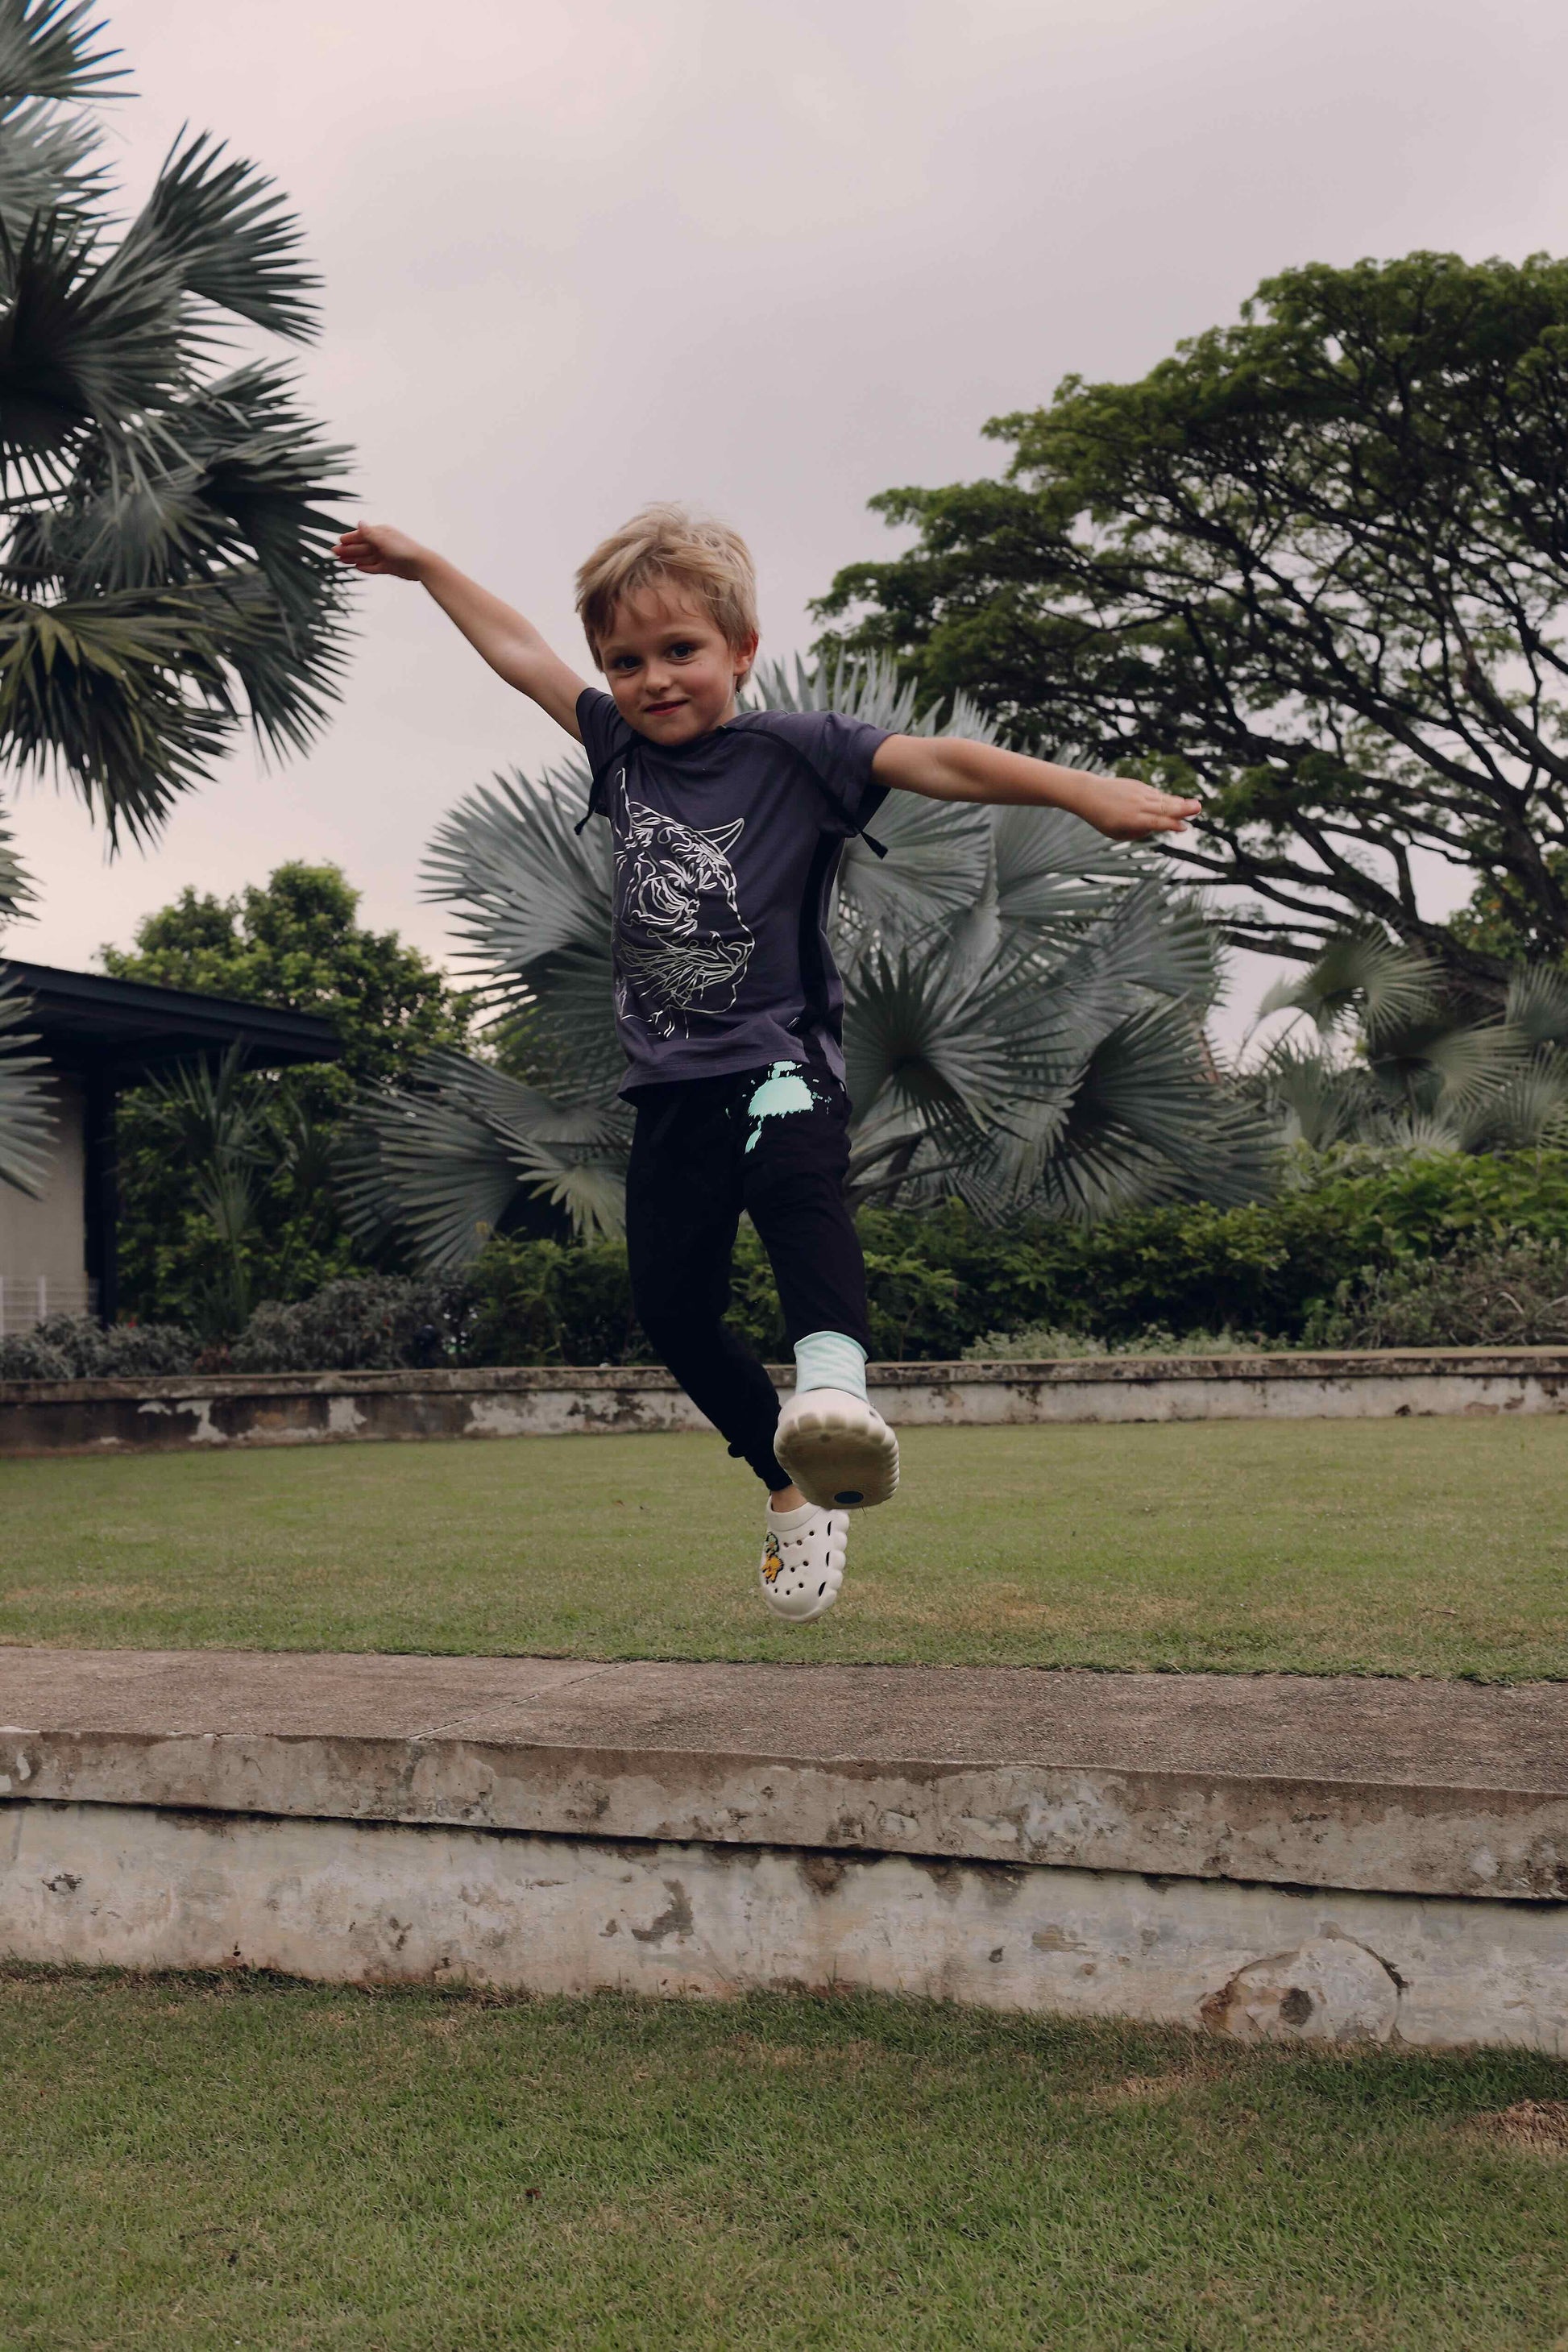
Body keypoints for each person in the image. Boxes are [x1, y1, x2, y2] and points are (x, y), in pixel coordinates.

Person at [332, 504, 1198, 1623]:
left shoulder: (798, 749)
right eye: (626, 662)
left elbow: (938, 759)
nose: (653, 680)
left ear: (740, 649)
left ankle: (836, 1393)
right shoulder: (616, 751)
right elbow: (520, 653)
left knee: (799, 1201)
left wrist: (1081, 791)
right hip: (668, 1089)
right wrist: (423, 563)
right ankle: (792, 1491)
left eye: (680, 650)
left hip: (781, 1060)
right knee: (672, 1311)